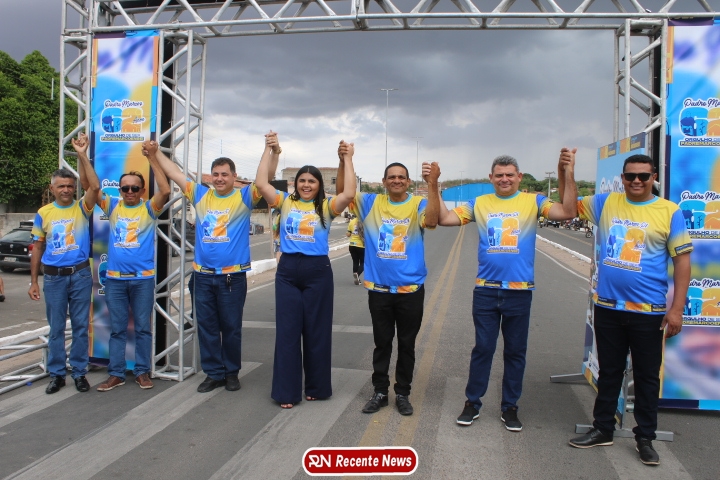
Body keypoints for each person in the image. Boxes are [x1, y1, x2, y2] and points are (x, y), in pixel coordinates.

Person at [437, 151, 577, 431]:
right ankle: (472, 402)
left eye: (509, 175)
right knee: (483, 349)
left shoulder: (534, 201)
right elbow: (445, 219)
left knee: (515, 352)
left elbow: (568, 212)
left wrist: (567, 172)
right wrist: (434, 185)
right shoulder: (479, 203)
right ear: (491, 178)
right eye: (499, 175)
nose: (504, 179)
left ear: (519, 177)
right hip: (486, 291)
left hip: (519, 292)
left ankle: (510, 407)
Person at [567, 153, 692, 466]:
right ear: (622, 178)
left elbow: (682, 262)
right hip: (608, 307)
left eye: (643, 176)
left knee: (647, 377)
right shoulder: (606, 203)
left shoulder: (669, 211)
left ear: (653, 178)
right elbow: (568, 208)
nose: (637, 181)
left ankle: (645, 438)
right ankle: (603, 428)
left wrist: (677, 309)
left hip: (648, 311)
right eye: (630, 176)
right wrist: (567, 172)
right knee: (609, 372)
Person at [154, 132, 281, 393]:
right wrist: (155, 152)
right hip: (202, 277)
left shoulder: (244, 197)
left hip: (231, 277)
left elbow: (264, 177)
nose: (220, 178)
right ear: (211, 177)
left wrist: (269, 150)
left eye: (225, 174)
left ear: (234, 177)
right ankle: (214, 373)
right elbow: (174, 173)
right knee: (207, 328)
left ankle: (231, 372)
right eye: (216, 174)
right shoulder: (200, 195)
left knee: (231, 328)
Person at [337, 145, 440, 416]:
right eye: (391, 177)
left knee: (406, 345)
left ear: (408, 181)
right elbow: (343, 192)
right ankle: (380, 391)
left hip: (410, 290)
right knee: (382, 343)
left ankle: (403, 393)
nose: (396, 180)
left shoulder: (418, 204)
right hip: (379, 290)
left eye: (401, 177)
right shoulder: (370, 202)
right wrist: (344, 161)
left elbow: (432, 221)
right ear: (384, 181)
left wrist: (432, 183)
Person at [256, 138, 356, 408]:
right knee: (287, 333)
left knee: (317, 332)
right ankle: (286, 392)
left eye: (312, 181)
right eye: (302, 181)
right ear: (295, 184)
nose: (306, 185)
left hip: (317, 272)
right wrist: (269, 150)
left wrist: (347, 158)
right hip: (288, 271)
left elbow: (349, 193)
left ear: (319, 185)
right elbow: (261, 183)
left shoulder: (326, 207)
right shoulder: (284, 202)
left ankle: (317, 387)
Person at [94, 140, 171, 392]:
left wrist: (152, 157)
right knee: (117, 330)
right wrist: (83, 155)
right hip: (115, 280)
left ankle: (142, 372)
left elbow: (165, 189)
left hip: (142, 279)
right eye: (125, 188)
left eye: (134, 188)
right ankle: (115, 374)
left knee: (142, 329)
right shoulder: (112, 206)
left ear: (142, 190)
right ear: (120, 190)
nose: (129, 192)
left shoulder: (149, 209)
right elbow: (92, 187)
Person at [28, 133, 100, 394]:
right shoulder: (43, 213)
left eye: (70, 186)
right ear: (53, 189)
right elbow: (38, 247)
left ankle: (79, 373)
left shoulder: (82, 208)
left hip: (80, 275)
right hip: (53, 277)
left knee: (80, 327)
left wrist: (82, 154)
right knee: (56, 328)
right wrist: (33, 281)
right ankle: (57, 374)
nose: (66, 190)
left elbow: (95, 187)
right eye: (61, 186)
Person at [346, 215, 364, 285]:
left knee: (355, 261)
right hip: (361, 246)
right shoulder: (365, 222)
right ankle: (357, 274)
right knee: (363, 262)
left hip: (352, 245)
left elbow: (348, 234)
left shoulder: (352, 221)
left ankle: (357, 279)